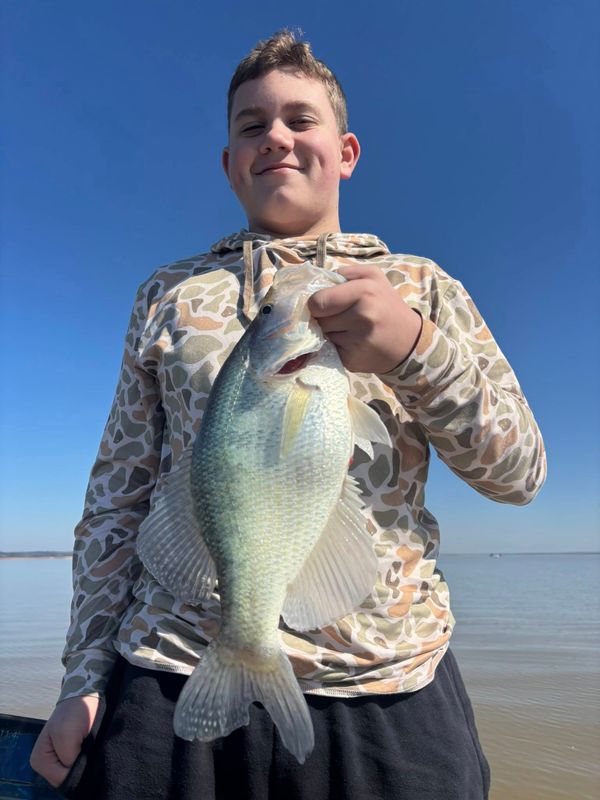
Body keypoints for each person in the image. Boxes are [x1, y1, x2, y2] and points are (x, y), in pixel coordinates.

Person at [30, 30, 546, 800]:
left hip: (386, 683)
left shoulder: (422, 286)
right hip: (172, 669)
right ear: (230, 164)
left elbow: (519, 473)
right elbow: (117, 497)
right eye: (251, 126)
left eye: (300, 120)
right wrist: (81, 678)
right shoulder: (170, 295)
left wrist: (413, 350)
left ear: (346, 152)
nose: (275, 136)